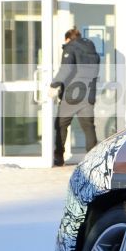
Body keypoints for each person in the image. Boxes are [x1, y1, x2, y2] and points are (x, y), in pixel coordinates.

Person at [50, 28, 100, 167]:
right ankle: (94, 159)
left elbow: (66, 68)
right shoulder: (92, 51)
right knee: (88, 127)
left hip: (72, 94)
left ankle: (59, 157)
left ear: (68, 39)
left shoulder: (70, 48)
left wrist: (54, 84)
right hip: (89, 93)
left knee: (61, 124)